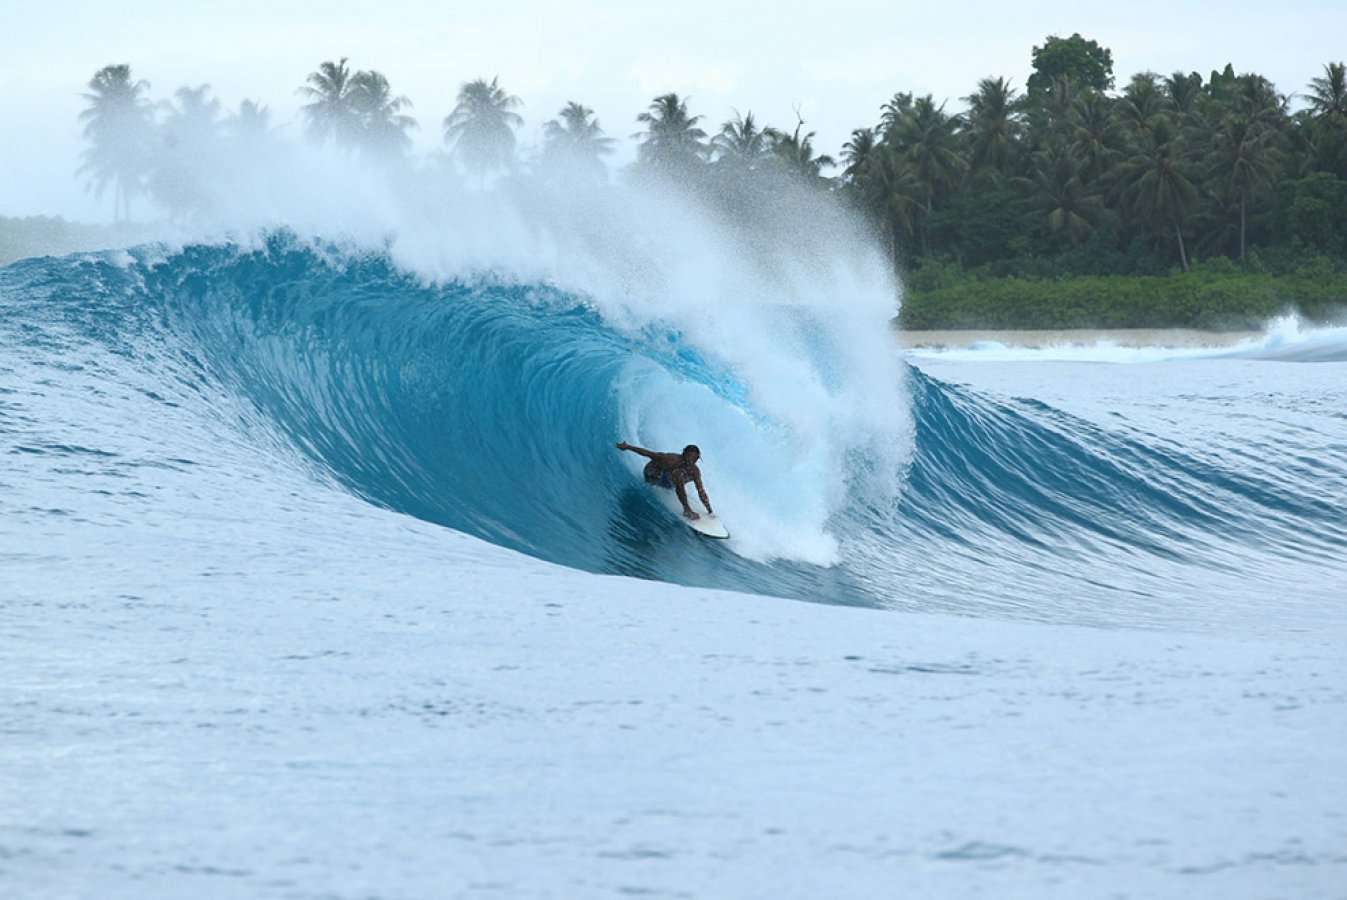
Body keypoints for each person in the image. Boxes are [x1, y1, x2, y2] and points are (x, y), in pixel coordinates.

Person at [615, 441, 714, 521]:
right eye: (689, 457)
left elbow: (701, 491)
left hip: (667, 481)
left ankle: (688, 507)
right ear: (683, 454)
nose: (690, 461)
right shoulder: (670, 459)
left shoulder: (695, 471)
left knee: (681, 477)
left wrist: (709, 510)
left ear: (697, 458)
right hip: (652, 474)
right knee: (678, 475)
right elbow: (648, 453)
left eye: (694, 459)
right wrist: (628, 447)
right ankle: (686, 509)